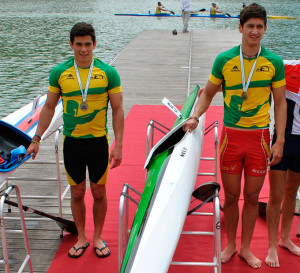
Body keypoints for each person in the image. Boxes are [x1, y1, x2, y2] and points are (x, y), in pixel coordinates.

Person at [183, 3, 287, 269]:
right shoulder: (224, 60)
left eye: (259, 27)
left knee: (252, 198)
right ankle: (230, 244)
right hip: (232, 138)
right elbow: (207, 92)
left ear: (265, 29)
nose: (254, 31)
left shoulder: (273, 62)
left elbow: (280, 103)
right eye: (250, 26)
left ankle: (245, 248)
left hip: (259, 140)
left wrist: (280, 140)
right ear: (240, 28)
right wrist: (195, 115)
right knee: (230, 197)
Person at [26, 22, 124, 258]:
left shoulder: (108, 73)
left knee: (99, 192)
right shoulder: (59, 72)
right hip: (73, 144)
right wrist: (36, 139)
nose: (83, 49)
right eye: (78, 44)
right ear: (71, 45)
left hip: (98, 142)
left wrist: (118, 144)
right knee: (77, 192)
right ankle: (82, 237)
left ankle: (98, 237)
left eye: (87, 44)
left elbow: (118, 109)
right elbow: (49, 107)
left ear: (94, 44)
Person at [265, 60, 300, 268]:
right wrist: (216, 86)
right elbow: (254, 69)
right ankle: (271, 247)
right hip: (283, 140)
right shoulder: (288, 66)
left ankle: (285, 238)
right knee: (276, 195)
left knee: (292, 191)